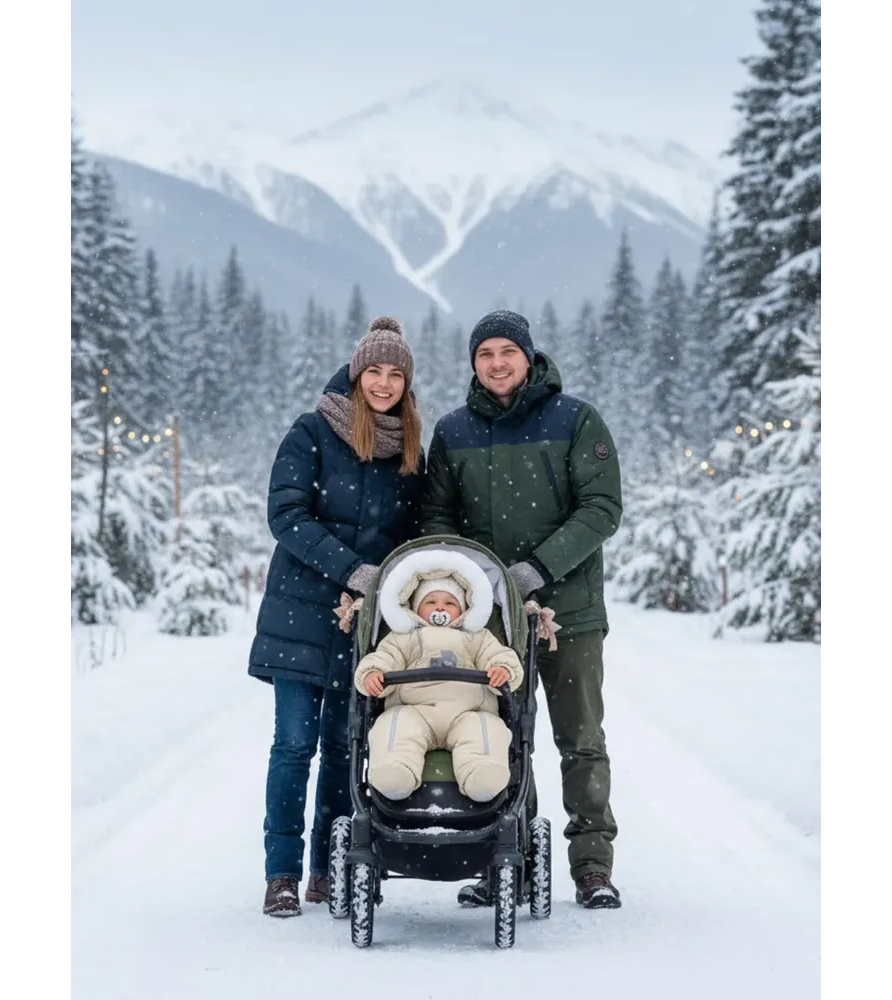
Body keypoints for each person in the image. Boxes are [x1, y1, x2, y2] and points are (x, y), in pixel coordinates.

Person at [419, 309, 624, 910]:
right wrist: (474, 581)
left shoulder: (575, 419)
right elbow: (437, 518)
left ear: (529, 357)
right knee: (498, 739)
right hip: (489, 622)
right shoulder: (453, 431)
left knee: (580, 738)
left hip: (569, 615)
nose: (497, 363)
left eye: (508, 351)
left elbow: (601, 508)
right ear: (473, 363)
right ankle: (511, 861)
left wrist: (536, 569)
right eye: (485, 354)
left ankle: (592, 866)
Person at [249, 316, 425, 917]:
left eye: (395, 373)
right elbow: (286, 515)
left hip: (365, 625)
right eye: (374, 370)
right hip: (299, 615)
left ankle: (329, 867)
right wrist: (353, 570)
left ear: (406, 383)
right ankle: (281, 873)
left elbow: (414, 532)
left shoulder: (408, 450)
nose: (383, 383)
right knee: (294, 745)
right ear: (356, 375)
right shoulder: (312, 431)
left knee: (345, 749)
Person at [352, 550, 523, 802]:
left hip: (469, 712)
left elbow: (498, 654)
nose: (440, 607)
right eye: (431, 602)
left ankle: (483, 774)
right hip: (413, 709)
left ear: (464, 608)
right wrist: (373, 673)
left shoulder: (477, 636)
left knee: (486, 729)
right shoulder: (402, 637)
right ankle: (394, 772)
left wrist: (502, 669)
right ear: (415, 607)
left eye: (450, 603)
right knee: (394, 725)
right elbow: (384, 657)